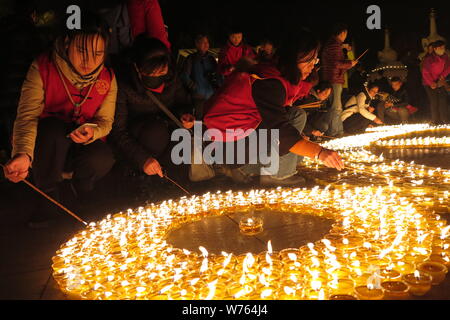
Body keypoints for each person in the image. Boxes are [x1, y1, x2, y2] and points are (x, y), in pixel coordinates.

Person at [2, 13, 117, 226]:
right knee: (52, 129)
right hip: (47, 144)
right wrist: (23, 153)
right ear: (66, 43)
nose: (89, 62)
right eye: (82, 51)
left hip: (80, 145)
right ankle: (48, 196)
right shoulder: (43, 67)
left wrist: (92, 131)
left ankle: (80, 192)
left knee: (102, 156)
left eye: (98, 53)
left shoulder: (107, 78)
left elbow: (106, 121)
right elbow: (27, 116)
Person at [204, 30, 344, 187]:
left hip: (237, 142)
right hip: (227, 149)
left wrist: (305, 144)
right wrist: (319, 152)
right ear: (293, 57)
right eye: (308, 60)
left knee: (298, 151)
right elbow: (279, 130)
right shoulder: (269, 82)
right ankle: (273, 175)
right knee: (296, 118)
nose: (312, 66)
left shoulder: (275, 75)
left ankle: (254, 168)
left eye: (315, 60)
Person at [109, 36, 193, 180]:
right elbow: (118, 130)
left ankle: (171, 182)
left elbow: (182, 102)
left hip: (169, 127)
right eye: (151, 73)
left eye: (162, 72)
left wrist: (186, 115)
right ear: (137, 67)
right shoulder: (123, 86)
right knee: (156, 132)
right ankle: (142, 178)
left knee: (182, 136)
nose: (157, 77)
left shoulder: (172, 78)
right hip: (141, 137)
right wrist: (142, 159)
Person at [321, 23, 358, 137]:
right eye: (345, 34)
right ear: (342, 33)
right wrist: (350, 63)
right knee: (335, 107)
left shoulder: (334, 44)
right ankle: (334, 132)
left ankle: (337, 131)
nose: (345, 36)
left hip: (334, 77)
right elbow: (336, 63)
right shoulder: (334, 45)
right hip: (334, 78)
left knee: (337, 106)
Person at [180, 34, 221, 119]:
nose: (206, 44)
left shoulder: (211, 59)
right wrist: (194, 87)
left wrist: (217, 86)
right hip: (198, 96)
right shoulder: (191, 58)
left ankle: (210, 132)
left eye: (207, 42)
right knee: (198, 119)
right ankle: (197, 132)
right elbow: (184, 76)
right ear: (197, 44)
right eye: (203, 42)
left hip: (211, 94)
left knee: (211, 118)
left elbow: (218, 74)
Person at [422, 40, 450, 124]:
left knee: (443, 100)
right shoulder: (429, 59)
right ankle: (436, 120)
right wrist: (431, 83)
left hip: (440, 81)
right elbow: (425, 72)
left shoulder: (445, 57)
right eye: (441, 48)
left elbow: (448, 68)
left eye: (444, 47)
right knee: (434, 101)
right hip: (429, 83)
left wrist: (441, 77)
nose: (443, 49)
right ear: (435, 49)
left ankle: (445, 119)